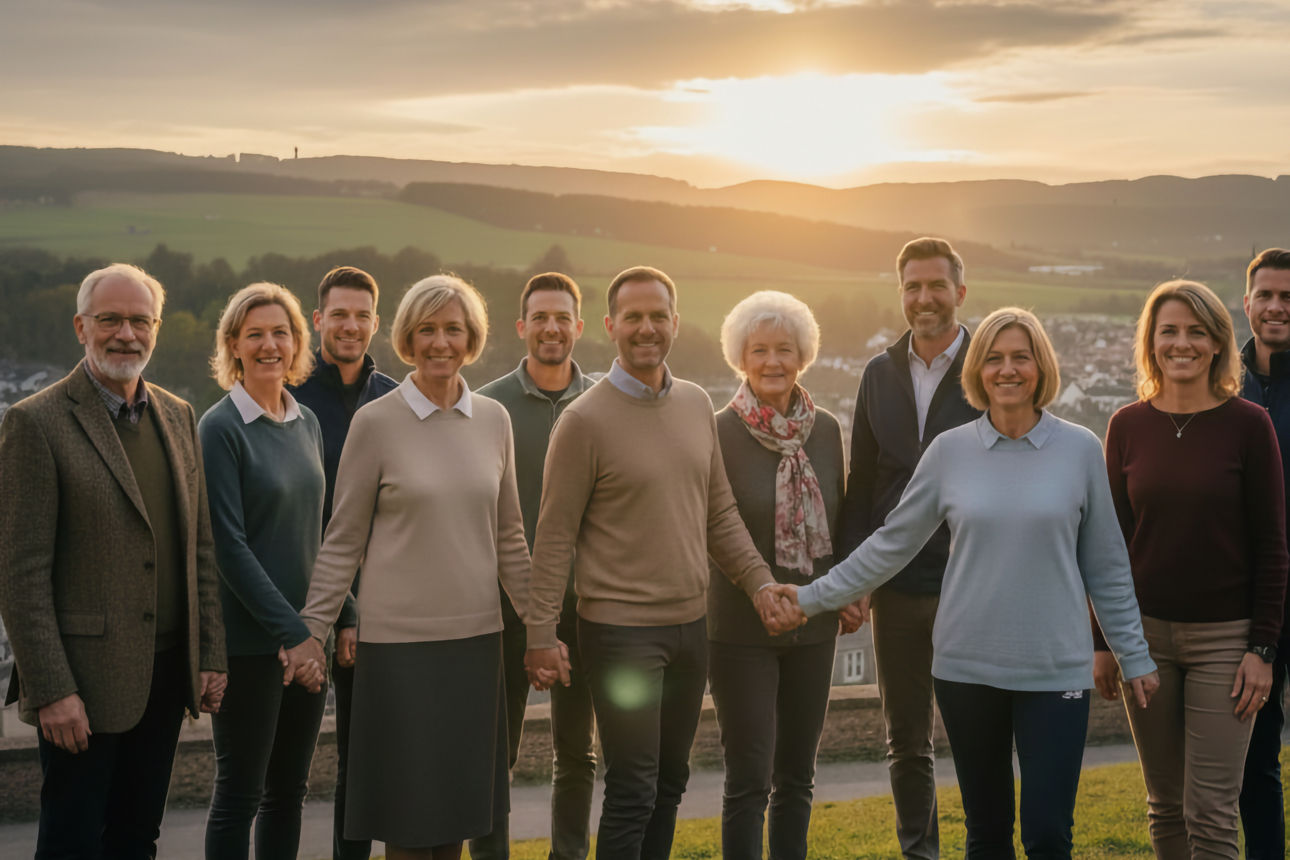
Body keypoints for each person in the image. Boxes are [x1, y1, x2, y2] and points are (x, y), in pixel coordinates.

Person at [772, 307, 1159, 859]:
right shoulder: (950, 452)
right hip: (968, 669)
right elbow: (889, 545)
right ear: (977, 371)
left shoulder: (1078, 449)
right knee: (987, 836)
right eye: (994, 359)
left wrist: (1134, 654)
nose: (1008, 370)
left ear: (1040, 366)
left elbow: (1107, 565)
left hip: (1055, 670)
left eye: (1020, 357)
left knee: (1049, 835)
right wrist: (811, 598)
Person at [524, 265, 797, 860]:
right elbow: (553, 539)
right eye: (633, 317)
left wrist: (759, 585)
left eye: (657, 317)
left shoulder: (697, 404)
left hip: (688, 630)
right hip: (620, 636)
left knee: (670, 783)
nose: (646, 328)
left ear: (675, 322)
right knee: (632, 788)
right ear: (610, 326)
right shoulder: (583, 422)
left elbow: (719, 514)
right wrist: (540, 633)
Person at [286, 274, 545, 860]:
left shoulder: (495, 422)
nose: (440, 342)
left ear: (471, 337)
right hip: (397, 650)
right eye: (426, 329)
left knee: (455, 813)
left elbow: (510, 539)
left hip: (477, 646)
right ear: (406, 337)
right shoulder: (375, 423)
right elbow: (342, 540)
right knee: (407, 819)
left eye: (453, 329)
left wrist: (542, 629)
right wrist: (311, 634)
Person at [0, 263, 227, 859]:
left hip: (163, 677)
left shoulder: (177, 415)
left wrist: (209, 657)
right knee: (72, 843)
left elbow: (199, 547)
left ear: (157, 328)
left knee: (137, 838)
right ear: (81, 326)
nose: (126, 334)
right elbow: (20, 575)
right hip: (83, 687)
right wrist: (52, 690)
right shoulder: (35, 423)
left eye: (140, 321)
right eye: (110, 320)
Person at [1095, 279, 1287, 859]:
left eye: (1196, 331)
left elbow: (1273, 547)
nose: (1182, 343)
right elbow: (1110, 548)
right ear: (1151, 343)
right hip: (1142, 637)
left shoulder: (1249, 425)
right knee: (1166, 807)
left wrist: (1262, 649)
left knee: (1211, 813)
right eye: (1169, 331)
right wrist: (1103, 642)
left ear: (1217, 343)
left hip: (1226, 646)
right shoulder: (1126, 426)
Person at [836, 236, 981, 860]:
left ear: (960, 292)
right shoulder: (878, 374)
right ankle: (919, 852)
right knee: (907, 740)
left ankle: (988, 845)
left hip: (972, 582)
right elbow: (862, 483)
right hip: (896, 586)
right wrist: (853, 579)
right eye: (912, 287)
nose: (924, 298)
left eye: (936, 286)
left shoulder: (991, 366)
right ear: (901, 294)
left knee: (979, 733)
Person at [708, 290, 863, 860]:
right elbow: (713, 527)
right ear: (740, 358)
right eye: (759, 350)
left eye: (785, 350)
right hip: (739, 629)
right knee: (748, 780)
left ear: (803, 356)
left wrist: (848, 588)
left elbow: (841, 517)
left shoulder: (824, 430)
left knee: (797, 778)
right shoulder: (718, 432)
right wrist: (760, 592)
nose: (773, 362)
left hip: (815, 624)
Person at [200, 282, 329, 860]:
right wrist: (292, 634)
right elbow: (228, 548)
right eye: (255, 334)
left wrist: (336, 619)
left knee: (288, 793)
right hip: (254, 646)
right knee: (240, 795)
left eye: (281, 332)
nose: (269, 344)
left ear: (298, 342)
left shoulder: (307, 423)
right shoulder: (220, 428)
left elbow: (319, 532)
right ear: (234, 344)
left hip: (309, 640)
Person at [476, 272, 598, 860]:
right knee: (494, 752)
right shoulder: (486, 406)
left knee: (577, 752)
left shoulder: (605, 402)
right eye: (540, 317)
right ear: (522, 327)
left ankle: (567, 855)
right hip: (502, 604)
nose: (552, 328)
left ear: (579, 326)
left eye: (562, 317)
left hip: (587, 606)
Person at [288, 265, 397, 860]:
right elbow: (304, 521)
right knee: (286, 773)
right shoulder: (290, 397)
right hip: (303, 606)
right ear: (318, 320)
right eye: (339, 315)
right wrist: (337, 612)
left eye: (362, 316)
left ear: (375, 323)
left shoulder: (397, 399)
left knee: (363, 761)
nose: (350, 326)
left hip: (384, 607)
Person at [1239, 249, 1290, 860]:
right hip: (1251, 603)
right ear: (1247, 303)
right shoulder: (1224, 382)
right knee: (1255, 759)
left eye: (1289, 296)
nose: (1277, 306)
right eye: (1267, 295)